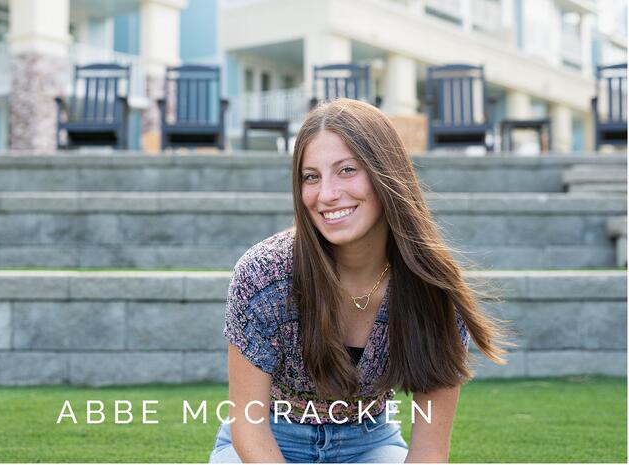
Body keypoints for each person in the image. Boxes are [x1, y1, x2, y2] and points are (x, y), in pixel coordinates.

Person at [209, 99, 508, 464]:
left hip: (370, 442)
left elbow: (430, 450)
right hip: (271, 437)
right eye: (311, 176)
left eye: (347, 170)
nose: (327, 194)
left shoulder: (432, 286)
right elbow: (249, 425)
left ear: (385, 171)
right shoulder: (263, 275)